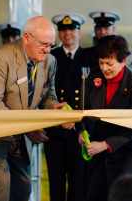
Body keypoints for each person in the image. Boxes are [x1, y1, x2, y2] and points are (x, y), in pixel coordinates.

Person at [0, 16, 74, 201]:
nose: (48, 50)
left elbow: (48, 96)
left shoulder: (50, 62)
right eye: (43, 45)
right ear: (26, 37)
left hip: (16, 136)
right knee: (0, 186)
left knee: (23, 190)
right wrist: (28, 127)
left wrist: (55, 110)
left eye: (51, 45)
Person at [78, 35, 132, 201]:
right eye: (101, 62)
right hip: (101, 147)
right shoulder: (92, 78)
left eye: (109, 63)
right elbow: (84, 113)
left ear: (124, 62)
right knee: (94, 193)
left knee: (126, 195)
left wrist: (105, 145)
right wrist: (82, 133)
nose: (104, 68)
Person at [44, 12, 95, 201]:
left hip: (80, 131)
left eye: (72, 29)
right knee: (56, 185)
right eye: (63, 30)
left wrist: (82, 125)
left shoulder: (90, 57)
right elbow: (44, 93)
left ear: (79, 32)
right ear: (58, 34)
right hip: (55, 131)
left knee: (78, 185)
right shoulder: (50, 57)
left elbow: (94, 97)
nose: (68, 33)